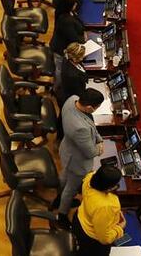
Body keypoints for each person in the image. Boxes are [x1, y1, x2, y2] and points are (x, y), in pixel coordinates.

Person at [57, 88, 105, 220]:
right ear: (89, 107)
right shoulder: (80, 128)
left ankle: (58, 195)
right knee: (71, 189)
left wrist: (99, 138)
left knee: (65, 175)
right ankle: (62, 214)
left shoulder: (72, 99)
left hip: (67, 150)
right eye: (97, 107)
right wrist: (100, 147)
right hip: (77, 162)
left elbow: (91, 125)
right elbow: (90, 152)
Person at [74, 165, 125, 254]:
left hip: (79, 219)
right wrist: (120, 228)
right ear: (109, 188)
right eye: (116, 185)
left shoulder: (89, 178)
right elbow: (105, 239)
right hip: (91, 239)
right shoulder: (106, 206)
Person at [56, 42, 88, 109]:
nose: (84, 56)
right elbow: (78, 93)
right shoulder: (73, 75)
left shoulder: (68, 58)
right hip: (72, 98)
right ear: (75, 58)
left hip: (74, 88)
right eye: (82, 55)